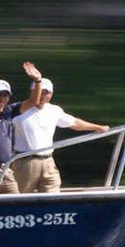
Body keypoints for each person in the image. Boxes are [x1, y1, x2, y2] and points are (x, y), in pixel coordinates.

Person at [12, 64, 110, 193]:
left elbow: (75, 123)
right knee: (20, 198)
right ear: (33, 92)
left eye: (47, 92)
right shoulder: (20, 109)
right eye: (40, 91)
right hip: (25, 162)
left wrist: (97, 127)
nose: (43, 95)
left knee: (52, 193)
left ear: (51, 94)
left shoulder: (54, 110)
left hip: (48, 161)